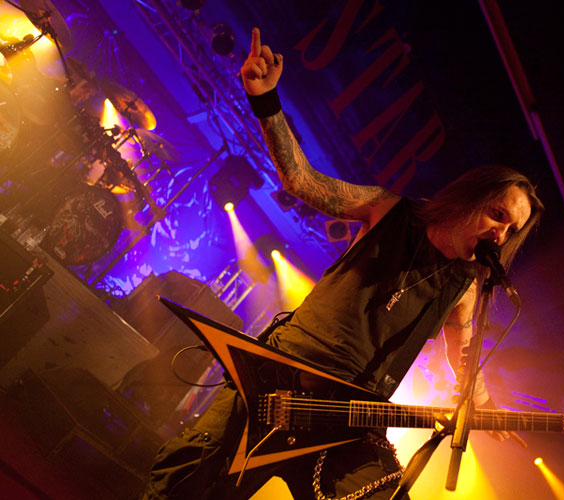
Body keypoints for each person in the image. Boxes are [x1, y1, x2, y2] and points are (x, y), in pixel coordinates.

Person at [141, 27, 543, 500]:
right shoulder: (389, 210)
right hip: (279, 378)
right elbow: (301, 180)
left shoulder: (466, 287)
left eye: (512, 230)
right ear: (471, 198)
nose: (501, 233)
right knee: (187, 484)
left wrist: (486, 405)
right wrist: (265, 100)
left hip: (347, 418)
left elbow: (465, 354)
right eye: (498, 214)